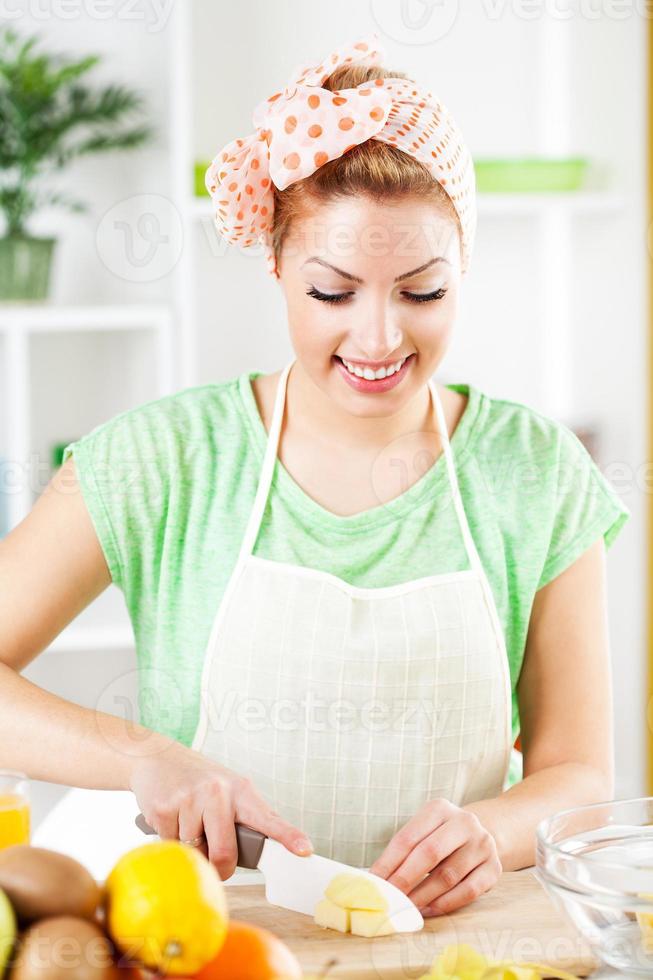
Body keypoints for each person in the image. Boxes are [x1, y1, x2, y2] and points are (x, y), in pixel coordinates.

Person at [0, 33, 630, 919]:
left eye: (422, 291)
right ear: (276, 267)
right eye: (333, 292)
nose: (377, 340)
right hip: (220, 943)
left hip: (461, 948)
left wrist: (494, 830)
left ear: (464, 270)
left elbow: (576, 771)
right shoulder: (163, 460)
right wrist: (143, 755)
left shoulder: (534, 469)